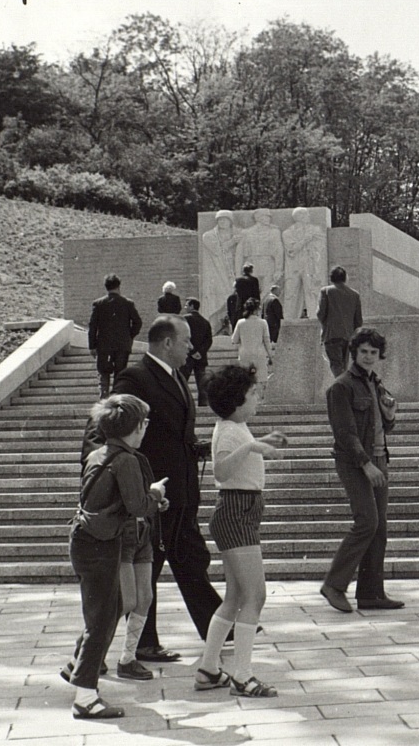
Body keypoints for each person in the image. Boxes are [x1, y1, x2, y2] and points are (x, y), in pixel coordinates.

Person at [110, 315, 221, 664]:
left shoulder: (175, 377)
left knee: (190, 559)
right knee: (150, 565)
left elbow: (172, 433)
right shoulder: (135, 378)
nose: (192, 347)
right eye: (187, 340)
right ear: (167, 343)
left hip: (181, 489)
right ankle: (140, 642)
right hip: (154, 493)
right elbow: (112, 426)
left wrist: (194, 447)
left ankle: (218, 623)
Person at [63, 394, 166, 721]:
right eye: (144, 423)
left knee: (103, 614)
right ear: (135, 428)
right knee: (103, 619)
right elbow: (137, 506)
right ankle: (85, 697)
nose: (146, 429)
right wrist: (157, 497)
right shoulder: (128, 460)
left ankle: (79, 676)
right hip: (101, 545)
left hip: (83, 540)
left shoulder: (97, 454)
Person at [193, 365, 287, 698]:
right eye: (252, 393)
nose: (257, 396)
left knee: (234, 598)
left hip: (240, 511)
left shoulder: (236, 426)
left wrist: (258, 442)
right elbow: (221, 469)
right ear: (236, 400)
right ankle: (242, 676)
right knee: (254, 596)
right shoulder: (231, 431)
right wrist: (251, 447)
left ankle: (208, 669)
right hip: (236, 512)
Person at [320, 327, 403, 613]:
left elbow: (382, 426)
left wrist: (390, 416)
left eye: (373, 352)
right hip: (356, 461)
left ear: (380, 355)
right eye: (363, 352)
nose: (368, 357)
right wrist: (365, 464)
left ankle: (370, 593)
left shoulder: (376, 383)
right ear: (354, 353)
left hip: (379, 459)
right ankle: (334, 585)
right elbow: (345, 433)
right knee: (367, 521)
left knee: (379, 528)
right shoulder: (341, 387)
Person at [88, 274, 142, 399]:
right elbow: (137, 322)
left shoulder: (98, 304)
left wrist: (92, 345)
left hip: (103, 346)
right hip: (122, 345)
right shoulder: (128, 303)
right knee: (120, 374)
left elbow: (93, 326)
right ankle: (117, 400)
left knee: (103, 375)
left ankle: (104, 400)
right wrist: (129, 336)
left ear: (106, 287)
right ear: (119, 286)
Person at [316, 266, 364, 377]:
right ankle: (345, 388)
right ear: (345, 278)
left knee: (336, 365)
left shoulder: (326, 291)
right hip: (348, 336)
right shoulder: (355, 294)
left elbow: (320, 314)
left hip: (331, 335)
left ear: (331, 278)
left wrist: (326, 324)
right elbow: (359, 321)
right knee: (344, 365)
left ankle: (343, 388)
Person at [282, 207, 326, 320]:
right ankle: (289, 319)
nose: (309, 217)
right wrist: (306, 240)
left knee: (312, 291)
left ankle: (315, 317)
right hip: (294, 267)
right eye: (306, 215)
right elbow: (292, 249)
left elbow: (321, 245)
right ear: (298, 217)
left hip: (310, 266)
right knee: (291, 293)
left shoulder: (315, 230)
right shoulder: (287, 233)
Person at [200, 211, 238, 332]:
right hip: (216, 272)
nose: (222, 222)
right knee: (219, 297)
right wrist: (232, 242)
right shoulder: (208, 235)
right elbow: (217, 250)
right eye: (220, 220)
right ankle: (215, 327)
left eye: (225, 220)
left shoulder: (235, 232)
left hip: (231, 270)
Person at [231, 297, 273, 389]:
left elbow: (234, 340)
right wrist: (270, 356)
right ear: (256, 310)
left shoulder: (240, 322)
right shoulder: (263, 323)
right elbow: (266, 341)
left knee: (245, 380)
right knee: (260, 380)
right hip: (259, 354)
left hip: (244, 354)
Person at [182, 299, 214, 408]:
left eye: (186, 305)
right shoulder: (205, 321)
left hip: (186, 356)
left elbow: (183, 336)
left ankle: (183, 403)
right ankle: (203, 404)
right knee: (202, 382)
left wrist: (192, 351)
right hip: (201, 357)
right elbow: (209, 340)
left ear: (191, 306)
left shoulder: (185, 319)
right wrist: (200, 352)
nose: (185, 307)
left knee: (182, 381)